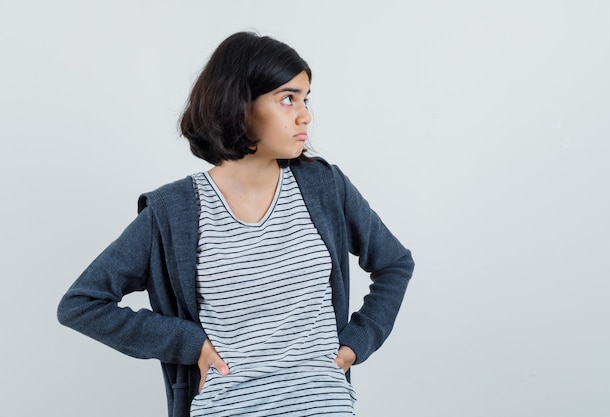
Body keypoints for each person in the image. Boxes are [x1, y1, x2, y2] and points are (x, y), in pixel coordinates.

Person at [57, 31, 414, 417]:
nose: (305, 114)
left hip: (322, 405)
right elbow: (82, 304)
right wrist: (186, 342)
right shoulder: (173, 212)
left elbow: (394, 263)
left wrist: (359, 339)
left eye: (305, 98)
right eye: (287, 98)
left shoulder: (325, 187)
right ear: (239, 105)